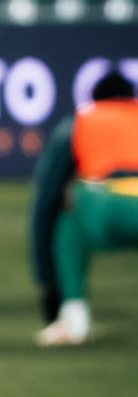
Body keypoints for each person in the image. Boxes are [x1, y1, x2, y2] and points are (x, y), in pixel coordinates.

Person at [30, 69, 138, 346]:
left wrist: (47, 283)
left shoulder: (82, 120)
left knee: (69, 208)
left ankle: (74, 318)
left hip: (107, 205)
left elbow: (45, 199)